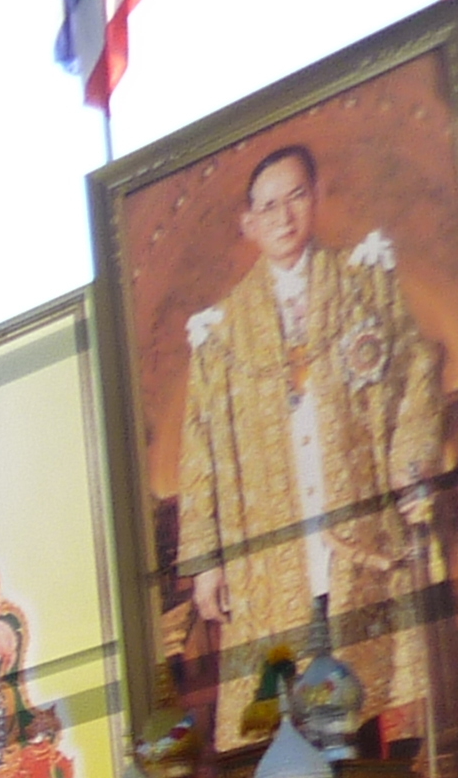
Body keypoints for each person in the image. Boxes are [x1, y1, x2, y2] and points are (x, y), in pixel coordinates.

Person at [171, 141, 443, 743]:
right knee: (296, 733)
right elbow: (200, 454)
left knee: (367, 713)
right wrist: (205, 565)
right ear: (249, 223)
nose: (283, 216)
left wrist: (411, 470)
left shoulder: (362, 282)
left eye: (295, 197)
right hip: (273, 557)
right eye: (267, 207)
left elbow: (413, 375)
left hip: (357, 537)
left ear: (317, 197)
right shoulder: (221, 333)